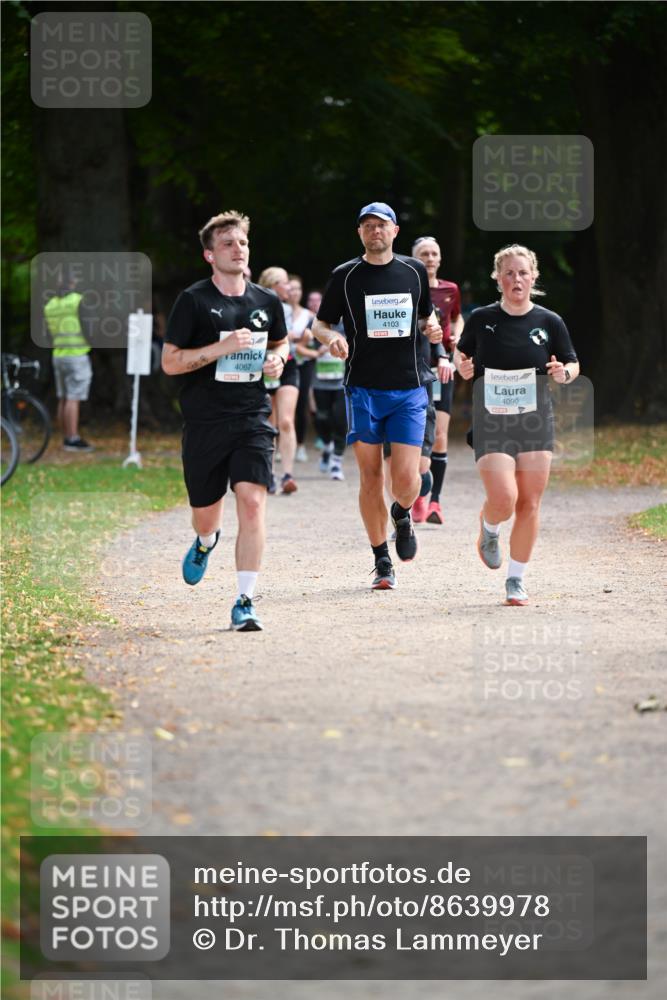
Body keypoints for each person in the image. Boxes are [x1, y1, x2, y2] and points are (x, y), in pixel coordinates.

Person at [162, 210, 289, 631]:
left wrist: (277, 360)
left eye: (243, 243)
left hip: (252, 416)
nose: (238, 250)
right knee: (206, 515)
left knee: (252, 502)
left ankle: (245, 600)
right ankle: (205, 542)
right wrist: (220, 349)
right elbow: (170, 362)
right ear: (209, 255)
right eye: (228, 244)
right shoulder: (194, 301)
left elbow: (282, 344)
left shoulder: (265, 302)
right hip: (204, 422)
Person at [313, 201, 442, 590]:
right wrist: (332, 337)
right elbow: (320, 324)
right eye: (367, 226)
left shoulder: (414, 271)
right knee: (370, 477)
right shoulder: (345, 276)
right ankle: (382, 560)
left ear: (394, 231)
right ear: (359, 233)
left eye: (381, 225)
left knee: (408, 478)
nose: (375, 231)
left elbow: (425, 317)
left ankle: (402, 513)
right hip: (363, 389)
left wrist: (433, 329)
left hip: (408, 387)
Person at [454, 244, 579, 606]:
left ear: (533, 276)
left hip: (536, 419)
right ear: (498, 278)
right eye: (508, 273)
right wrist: (462, 366)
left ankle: (516, 580)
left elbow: (571, 362)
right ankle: (489, 527)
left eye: (522, 272)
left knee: (529, 503)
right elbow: (461, 355)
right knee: (504, 499)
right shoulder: (481, 318)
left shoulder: (549, 321)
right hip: (492, 419)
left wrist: (565, 372)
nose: (516, 279)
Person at [411, 237, 463, 524]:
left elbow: (456, 319)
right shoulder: (409, 287)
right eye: (424, 254)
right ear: (414, 258)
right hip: (414, 367)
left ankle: (435, 502)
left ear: (440, 258)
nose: (430, 258)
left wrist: (456, 338)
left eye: (434, 253)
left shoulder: (450, 289)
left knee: (440, 433)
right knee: (417, 432)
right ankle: (417, 492)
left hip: (442, 366)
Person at [257, 266, 300, 494]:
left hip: (287, 363)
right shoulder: (255, 304)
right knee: (269, 423)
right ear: (273, 285)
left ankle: (288, 475)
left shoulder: (287, 309)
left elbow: (285, 338)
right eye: (284, 283)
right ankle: (269, 474)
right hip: (262, 364)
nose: (289, 287)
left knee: (286, 420)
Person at [44, 270, 94, 452]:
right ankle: (73, 438)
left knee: (63, 397)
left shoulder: (50, 305)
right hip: (76, 353)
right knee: (74, 398)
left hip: (58, 354)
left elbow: (48, 334)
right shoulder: (77, 301)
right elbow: (88, 327)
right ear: (72, 282)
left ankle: (65, 436)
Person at [288, 276, 315, 462]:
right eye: (291, 289)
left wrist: (295, 341)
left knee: (301, 404)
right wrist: (299, 339)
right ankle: (282, 444)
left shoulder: (309, 316)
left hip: (304, 363)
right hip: (285, 362)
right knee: (282, 407)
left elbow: (312, 340)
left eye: (298, 289)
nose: (294, 292)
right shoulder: (280, 312)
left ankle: (300, 445)